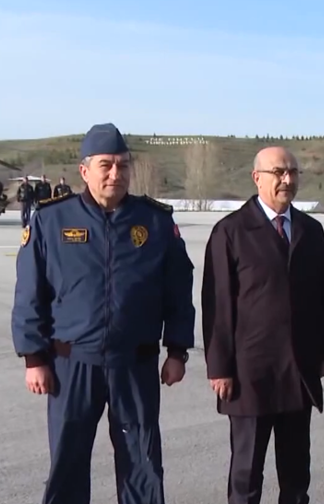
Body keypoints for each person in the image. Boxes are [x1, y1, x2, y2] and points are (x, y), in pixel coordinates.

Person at [10, 122, 196, 504]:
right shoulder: (51, 220)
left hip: (135, 365)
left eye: (123, 165)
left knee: (142, 462)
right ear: (84, 170)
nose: (116, 174)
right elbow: (30, 293)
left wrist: (177, 351)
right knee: (68, 462)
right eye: (106, 166)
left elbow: (178, 290)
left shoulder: (155, 221)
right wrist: (34, 358)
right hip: (72, 365)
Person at [202, 146, 324, 504]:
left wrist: (323, 352)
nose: (287, 180)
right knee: (246, 475)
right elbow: (217, 304)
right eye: (278, 172)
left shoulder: (310, 231)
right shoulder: (230, 232)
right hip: (249, 374)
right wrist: (219, 367)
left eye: (293, 172)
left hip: (298, 372)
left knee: (296, 472)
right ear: (257, 178)